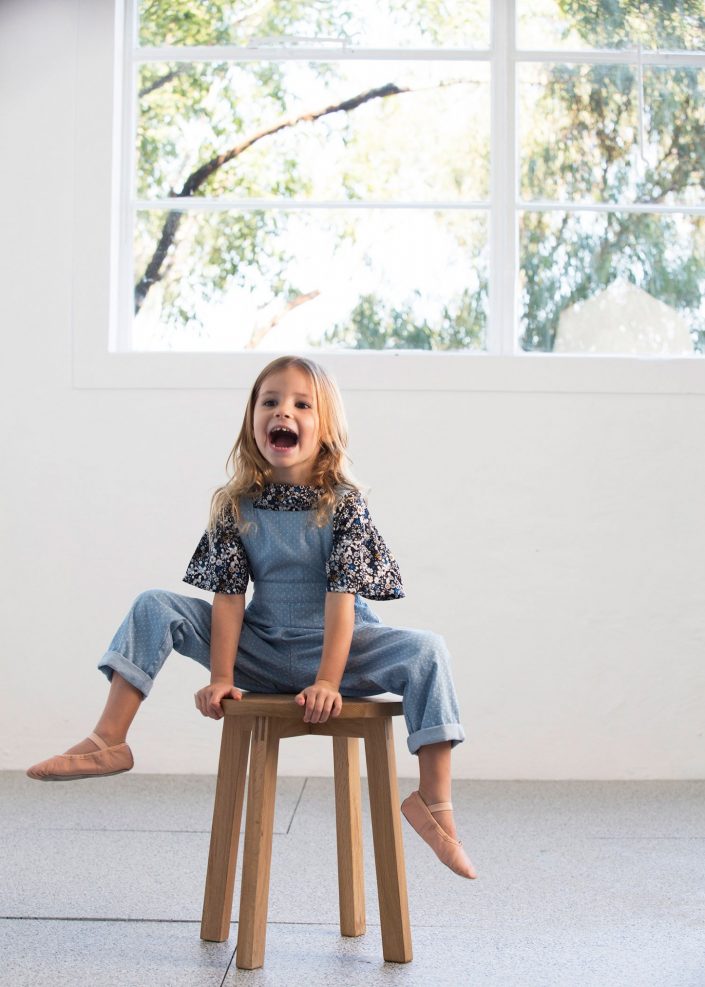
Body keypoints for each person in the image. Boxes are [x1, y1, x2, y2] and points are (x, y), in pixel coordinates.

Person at [27, 355, 476, 880]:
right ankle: (110, 739)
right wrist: (221, 676)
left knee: (428, 650)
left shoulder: (344, 506)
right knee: (155, 604)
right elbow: (228, 598)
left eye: (301, 404)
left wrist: (329, 681)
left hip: (337, 649)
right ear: (253, 421)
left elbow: (341, 600)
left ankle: (435, 804)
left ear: (326, 428)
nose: (283, 411)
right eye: (270, 402)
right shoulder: (236, 505)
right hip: (261, 649)